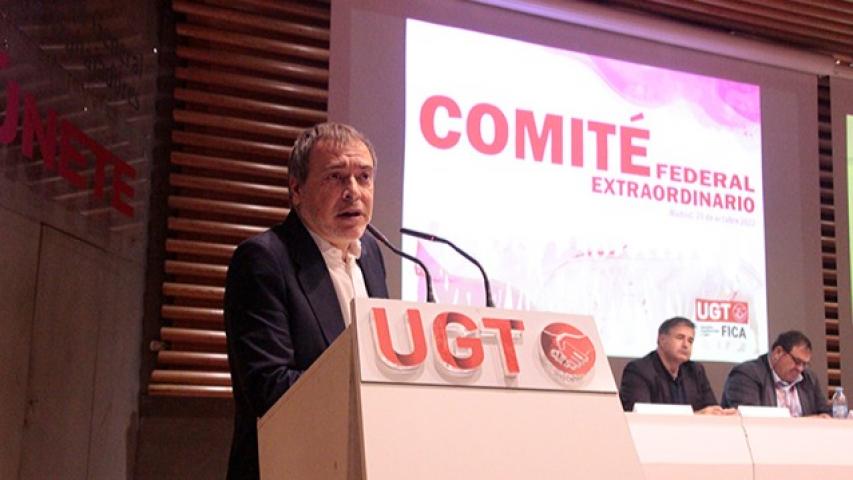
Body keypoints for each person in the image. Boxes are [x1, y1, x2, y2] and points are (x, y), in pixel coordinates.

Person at [223, 122, 389, 480]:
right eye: (335, 177)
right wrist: (367, 397)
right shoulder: (263, 261)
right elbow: (269, 386)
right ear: (296, 190)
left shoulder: (372, 255)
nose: (353, 192)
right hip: (288, 466)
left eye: (364, 177)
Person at [620, 317, 733, 414]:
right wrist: (696, 417)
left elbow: (711, 409)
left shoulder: (695, 371)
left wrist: (722, 414)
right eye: (680, 338)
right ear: (662, 339)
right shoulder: (639, 371)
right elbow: (641, 417)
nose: (686, 345)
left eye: (690, 341)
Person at [721, 330, 831, 417]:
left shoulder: (808, 379)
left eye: (805, 364)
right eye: (797, 362)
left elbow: (825, 414)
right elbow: (749, 418)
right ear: (778, 352)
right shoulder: (746, 375)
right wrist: (807, 422)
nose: (800, 369)